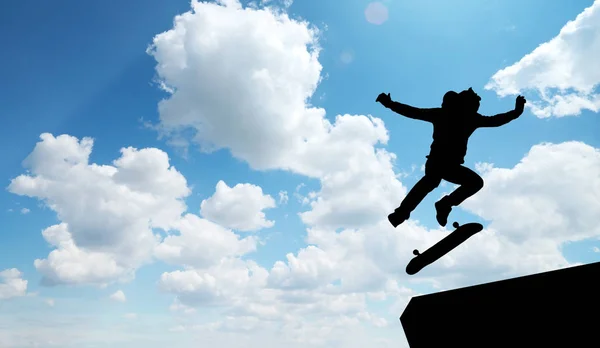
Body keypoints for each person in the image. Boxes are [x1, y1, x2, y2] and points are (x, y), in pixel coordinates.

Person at [376, 88, 526, 227]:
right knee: (434, 182)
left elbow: (497, 120)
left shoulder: (466, 117)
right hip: (440, 162)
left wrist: (517, 111)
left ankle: (438, 206)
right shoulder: (453, 115)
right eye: (475, 104)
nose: (477, 107)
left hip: (447, 165)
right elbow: (413, 112)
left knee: (448, 182)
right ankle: (425, 209)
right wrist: (390, 104)